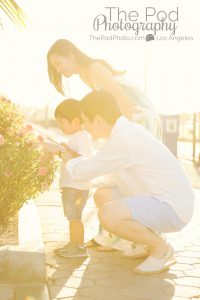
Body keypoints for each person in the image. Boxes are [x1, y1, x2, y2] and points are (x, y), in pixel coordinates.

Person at [47, 39, 161, 252]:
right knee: (119, 176)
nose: (59, 70)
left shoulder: (94, 68)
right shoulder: (85, 74)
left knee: (132, 177)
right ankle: (115, 236)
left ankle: (141, 238)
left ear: (71, 55)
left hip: (138, 117)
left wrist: (123, 131)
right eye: (55, 67)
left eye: (58, 63)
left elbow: (120, 98)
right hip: (129, 119)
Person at [62, 90, 194, 274]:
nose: (85, 126)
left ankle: (161, 249)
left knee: (108, 215)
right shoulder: (125, 133)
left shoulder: (124, 138)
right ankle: (144, 242)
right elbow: (110, 176)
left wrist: (64, 154)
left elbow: (83, 171)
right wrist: (89, 179)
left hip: (172, 208)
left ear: (98, 119)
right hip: (161, 200)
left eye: (86, 120)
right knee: (103, 194)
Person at [45, 99, 92, 258]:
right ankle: (74, 243)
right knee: (72, 217)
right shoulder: (76, 137)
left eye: (62, 122)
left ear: (76, 121)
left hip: (76, 187)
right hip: (72, 186)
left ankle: (78, 247)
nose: (60, 126)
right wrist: (66, 147)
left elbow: (83, 159)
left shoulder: (83, 137)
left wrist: (63, 150)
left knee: (75, 217)